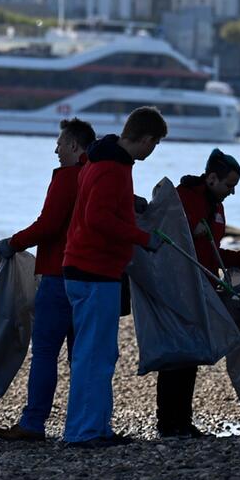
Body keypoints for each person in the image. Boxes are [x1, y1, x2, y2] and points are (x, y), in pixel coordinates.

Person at [61, 106, 167, 447]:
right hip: (95, 270)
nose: (153, 151)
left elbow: (98, 205)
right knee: (94, 354)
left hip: (85, 267)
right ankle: (85, 432)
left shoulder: (100, 159)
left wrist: (128, 203)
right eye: (155, 144)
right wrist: (143, 238)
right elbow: (98, 219)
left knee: (97, 353)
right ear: (147, 139)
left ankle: (94, 427)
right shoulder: (111, 167)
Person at [0, 118, 97, 442]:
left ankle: (34, 423)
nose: (56, 148)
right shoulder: (97, 177)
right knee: (83, 355)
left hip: (57, 275)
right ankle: (83, 424)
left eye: (61, 143)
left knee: (46, 352)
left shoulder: (68, 177)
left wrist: (13, 243)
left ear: (75, 146)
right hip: (90, 278)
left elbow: (48, 225)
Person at [157, 148, 240, 438]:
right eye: (228, 186)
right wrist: (187, 227)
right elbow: (162, 233)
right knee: (177, 357)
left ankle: (182, 421)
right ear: (212, 178)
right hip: (179, 289)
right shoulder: (183, 197)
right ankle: (168, 423)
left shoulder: (217, 205)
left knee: (193, 356)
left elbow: (212, 252)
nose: (231, 192)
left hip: (203, 289)